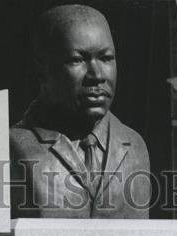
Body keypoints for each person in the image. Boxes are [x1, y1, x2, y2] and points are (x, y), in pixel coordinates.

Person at [9, 4, 151, 218]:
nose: (96, 75)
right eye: (77, 60)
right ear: (42, 69)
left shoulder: (135, 146)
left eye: (106, 58)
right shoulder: (10, 147)